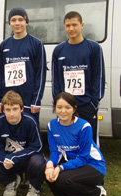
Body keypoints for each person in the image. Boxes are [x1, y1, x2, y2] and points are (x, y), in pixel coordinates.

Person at [44, 92, 106, 196]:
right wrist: (50, 164)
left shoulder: (84, 126)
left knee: (63, 179)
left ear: (74, 109)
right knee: (44, 170)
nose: (63, 111)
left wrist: (60, 168)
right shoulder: (51, 125)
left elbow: (83, 158)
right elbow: (55, 152)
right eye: (59, 107)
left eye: (67, 107)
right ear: (54, 108)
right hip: (74, 162)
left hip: (93, 165)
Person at [51, 11, 105, 146]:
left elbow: (98, 76)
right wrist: (58, 102)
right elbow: (56, 80)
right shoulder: (59, 50)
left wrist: (94, 102)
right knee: (67, 138)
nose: (71, 28)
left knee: (89, 140)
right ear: (64, 27)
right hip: (66, 105)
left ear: (82, 25)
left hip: (87, 104)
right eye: (68, 25)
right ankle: (68, 163)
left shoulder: (94, 48)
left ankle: (91, 164)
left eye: (74, 25)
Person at [0, 91, 46, 196]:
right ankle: (11, 180)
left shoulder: (30, 121)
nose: (11, 113)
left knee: (39, 162)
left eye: (15, 109)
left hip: (27, 159)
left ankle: (34, 186)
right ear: (3, 110)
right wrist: (5, 160)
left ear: (21, 109)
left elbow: (36, 147)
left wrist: (15, 158)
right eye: (8, 110)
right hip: (8, 161)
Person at [0, 7, 46, 123]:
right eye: (13, 20)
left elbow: (40, 74)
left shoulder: (36, 44)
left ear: (26, 22)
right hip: (9, 102)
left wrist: (36, 100)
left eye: (20, 19)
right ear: (9, 23)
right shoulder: (4, 45)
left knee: (29, 134)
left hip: (29, 102)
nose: (17, 23)